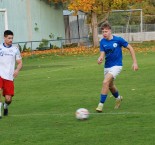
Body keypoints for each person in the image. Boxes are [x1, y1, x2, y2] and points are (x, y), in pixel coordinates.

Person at [96, 23, 138, 112]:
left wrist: (135, 62)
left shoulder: (118, 40)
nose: (104, 33)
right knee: (110, 86)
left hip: (117, 65)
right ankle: (118, 98)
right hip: (107, 66)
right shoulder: (102, 41)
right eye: (103, 32)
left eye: (106, 31)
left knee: (105, 82)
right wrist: (100, 58)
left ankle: (100, 105)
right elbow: (102, 54)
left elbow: (131, 48)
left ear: (110, 31)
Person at [0, 30, 22, 118]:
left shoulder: (15, 49)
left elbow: (20, 63)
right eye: (9, 38)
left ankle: (5, 105)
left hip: (9, 77)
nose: (11, 40)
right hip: (0, 74)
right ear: (4, 38)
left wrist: (17, 70)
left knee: (8, 99)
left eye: (12, 38)